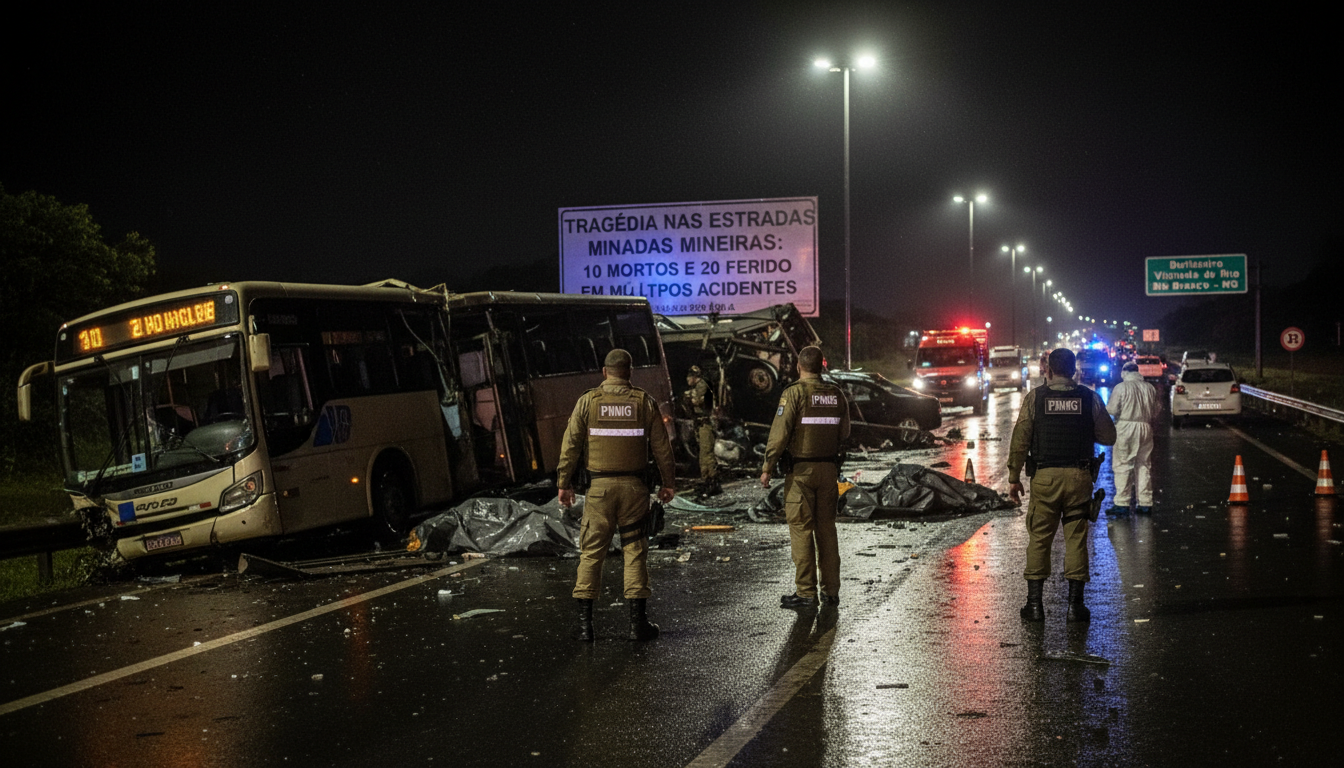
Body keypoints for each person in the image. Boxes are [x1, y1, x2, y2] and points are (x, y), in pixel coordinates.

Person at [557, 349, 676, 642]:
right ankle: (638, 626)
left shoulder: (588, 401)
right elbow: (662, 447)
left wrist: (564, 483)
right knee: (635, 552)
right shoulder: (644, 402)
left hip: (599, 490)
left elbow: (570, 444)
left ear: (604, 372)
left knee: (592, 553)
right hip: (636, 490)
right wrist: (668, 483)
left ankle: (586, 628)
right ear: (629, 372)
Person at [1007, 348, 1117, 622]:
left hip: (1045, 478)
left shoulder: (1035, 398)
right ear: (1075, 371)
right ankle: (1075, 608)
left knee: (1039, 538)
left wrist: (1013, 477)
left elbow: (1020, 440)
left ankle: (1034, 607)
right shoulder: (1089, 397)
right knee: (1076, 538)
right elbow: (1109, 436)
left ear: (1048, 370)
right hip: (1079, 477)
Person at [760, 346, 851, 610]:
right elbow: (844, 433)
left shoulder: (794, 393)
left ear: (799, 367)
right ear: (821, 367)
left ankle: (806, 593)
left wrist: (768, 466)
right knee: (827, 530)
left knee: (801, 530)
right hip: (829, 471)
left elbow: (779, 434)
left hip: (801, 473)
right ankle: (831, 592)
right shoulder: (836, 394)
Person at [1107, 361, 1159, 514]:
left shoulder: (1121, 387)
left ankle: (1122, 504)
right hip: (1145, 427)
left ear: (1124, 372)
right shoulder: (1149, 388)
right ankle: (1145, 502)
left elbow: (1112, 409)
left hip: (1125, 427)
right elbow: (1156, 409)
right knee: (1143, 464)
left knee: (1123, 464)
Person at [683, 365, 720, 496]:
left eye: (689, 377)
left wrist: (689, 397)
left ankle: (712, 481)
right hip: (700, 424)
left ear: (694, 377)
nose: (687, 380)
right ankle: (707, 480)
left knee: (707, 454)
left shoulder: (703, 386)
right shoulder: (697, 388)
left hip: (705, 424)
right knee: (703, 455)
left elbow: (700, 402)